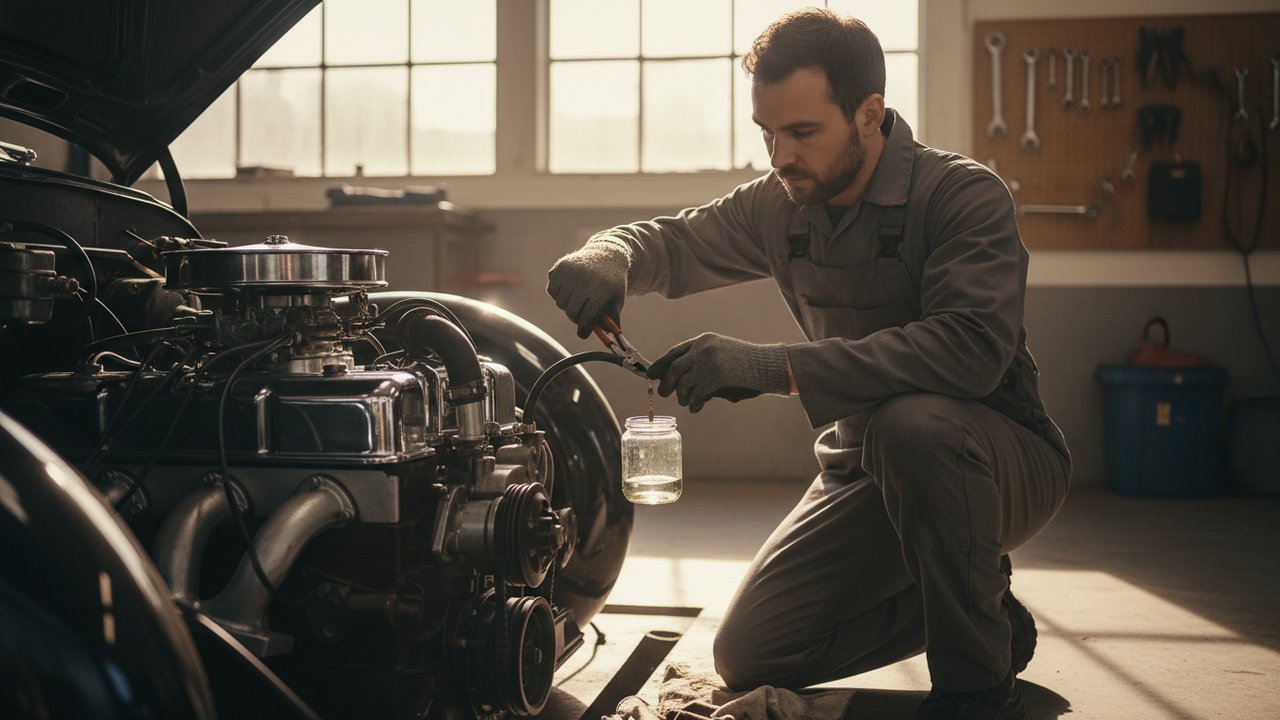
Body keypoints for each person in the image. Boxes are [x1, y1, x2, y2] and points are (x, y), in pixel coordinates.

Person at [546, 8, 1071, 720]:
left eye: (801, 132)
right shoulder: (780, 204)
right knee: (749, 656)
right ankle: (979, 601)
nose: (779, 155)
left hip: (997, 457)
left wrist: (770, 368)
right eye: (767, 132)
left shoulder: (962, 196)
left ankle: (977, 683)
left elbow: (968, 350)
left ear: (869, 114)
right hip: (863, 469)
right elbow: (671, 241)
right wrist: (609, 253)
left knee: (911, 425)